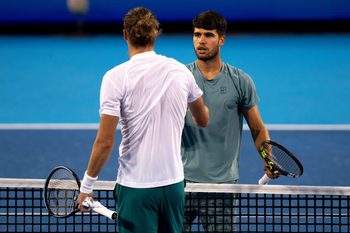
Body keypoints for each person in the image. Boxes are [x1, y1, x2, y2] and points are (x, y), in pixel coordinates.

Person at [77, 7, 209, 233]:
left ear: (125, 35)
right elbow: (203, 118)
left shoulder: (115, 77)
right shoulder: (181, 71)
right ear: (155, 34)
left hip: (136, 188)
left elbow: (105, 141)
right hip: (174, 186)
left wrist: (87, 185)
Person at [181, 11, 278, 232]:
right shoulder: (180, 77)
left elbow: (257, 128)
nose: (201, 41)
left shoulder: (240, 81)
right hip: (180, 183)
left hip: (222, 188)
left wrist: (268, 158)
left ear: (221, 40)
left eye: (208, 35)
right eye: (197, 35)